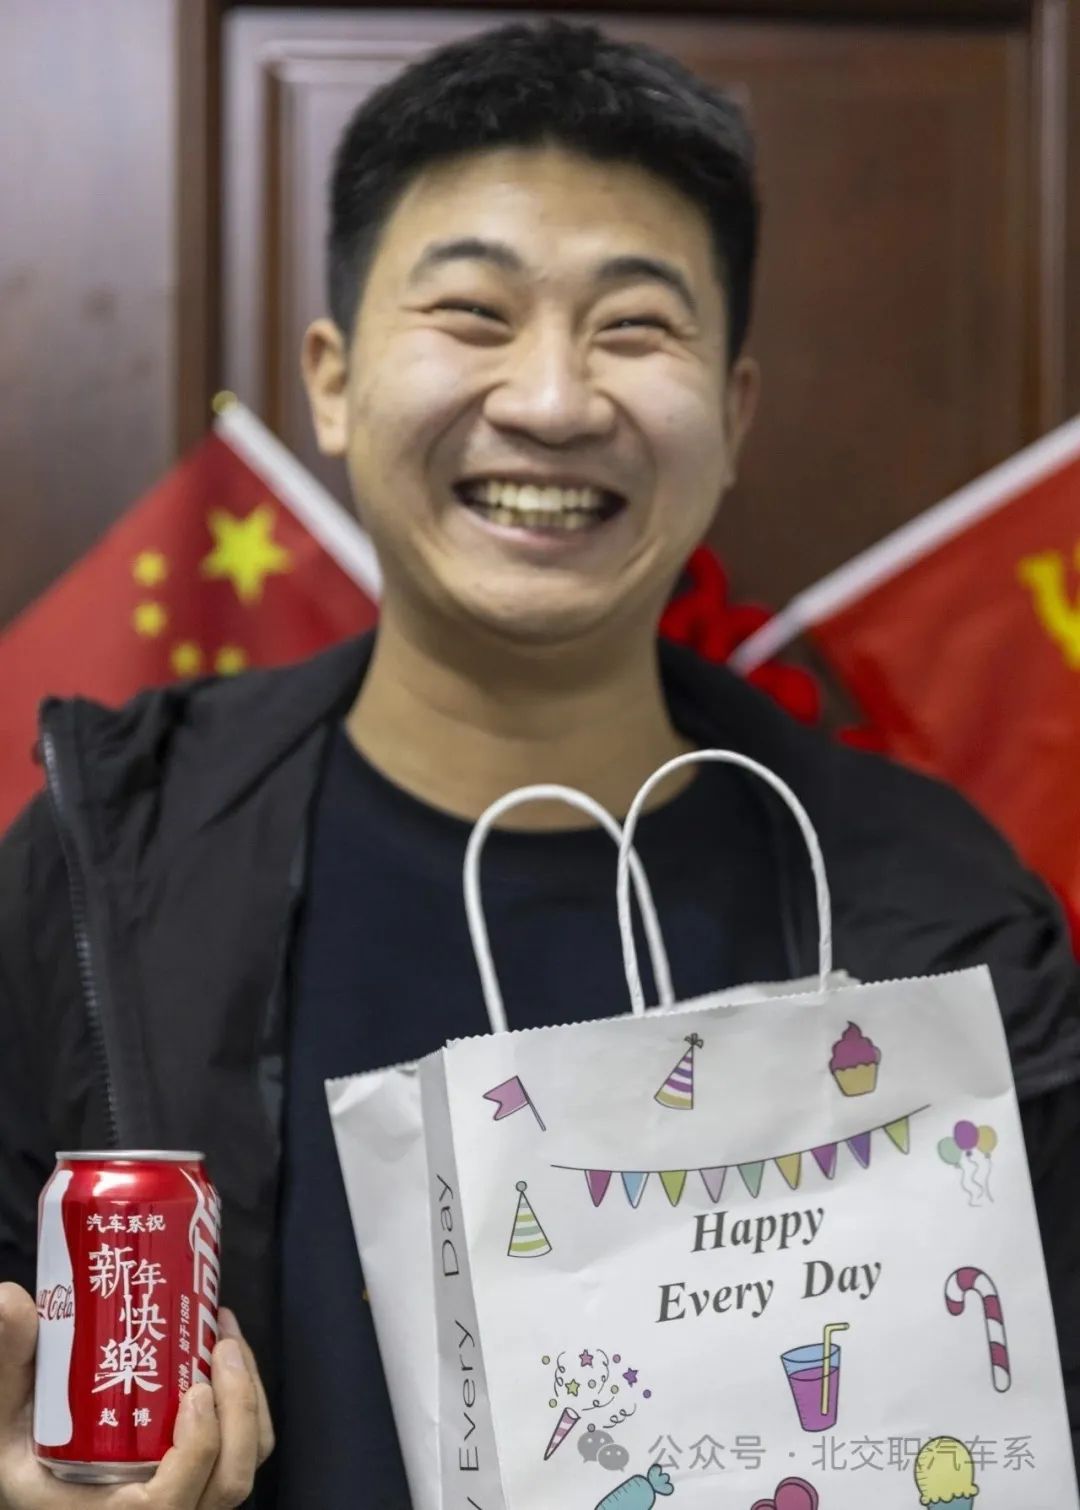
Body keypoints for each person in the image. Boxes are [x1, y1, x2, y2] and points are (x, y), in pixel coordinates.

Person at [0, 18, 1077, 1509]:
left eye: (634, 327)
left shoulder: (940, 914)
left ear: (734, 414)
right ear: (333, 378)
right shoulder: (108, 863)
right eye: (474, 313)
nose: (555, 401)